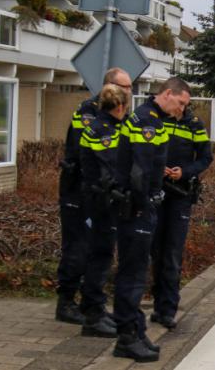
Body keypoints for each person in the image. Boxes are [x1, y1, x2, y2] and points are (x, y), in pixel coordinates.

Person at [113, 77, 190, 362]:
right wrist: (147, 201)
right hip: (137, 209)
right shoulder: (147, 121)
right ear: (168, 94)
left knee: (137, 272)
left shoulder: (151, 118)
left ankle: (135, 328)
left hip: (141, 207)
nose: (181, 110)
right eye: (180, 102)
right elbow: (140, 172)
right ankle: (126, 336)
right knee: (132, 274)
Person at [55, 68, 132, 324]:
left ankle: (91, 303)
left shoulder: (118, 116)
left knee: (99, 249)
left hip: (100, 196)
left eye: (131, 87)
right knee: (77, 248)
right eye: (126, 87)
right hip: (78, 191)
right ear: (109, 85)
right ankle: (65, 302)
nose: (130, 92)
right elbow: (94, 158)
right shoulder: (88, 114)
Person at [150, 104, 213, 329]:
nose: (179, 108)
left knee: (173, 252)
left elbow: (206, 157)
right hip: (156, 191)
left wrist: (184, 172)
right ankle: (157, 304)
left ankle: (168, 309)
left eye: (183, 104)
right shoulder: (155, 119)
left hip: (180, 196)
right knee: (156, 250)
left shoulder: (194, 124)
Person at [78, 84, 130, 339]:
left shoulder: (98, 126)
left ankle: (93, 308)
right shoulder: (104, 131)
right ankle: (93, 316)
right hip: (101, 202)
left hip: (97, 198)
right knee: (100, 256)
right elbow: (109, 168)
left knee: (99, 255)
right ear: (119, 106)